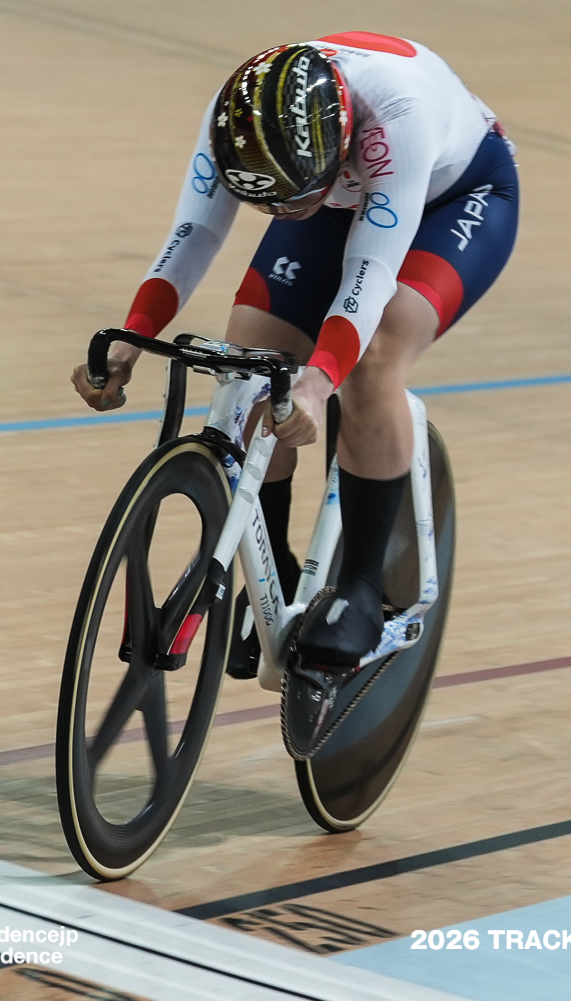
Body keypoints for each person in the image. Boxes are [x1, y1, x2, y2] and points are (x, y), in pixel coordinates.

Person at [70, 34, 518, 670]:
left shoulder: (399, 119)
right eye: (267, 203)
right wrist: (131, 338)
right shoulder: (241, 120)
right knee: (253, 362)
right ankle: (271, 568)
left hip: (456, 198)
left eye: (287, 202)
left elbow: (368, 276)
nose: (279, 214)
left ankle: (362, 589)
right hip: (333, 191)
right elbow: (194, 232)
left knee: (369, 365)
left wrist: (318, 381)